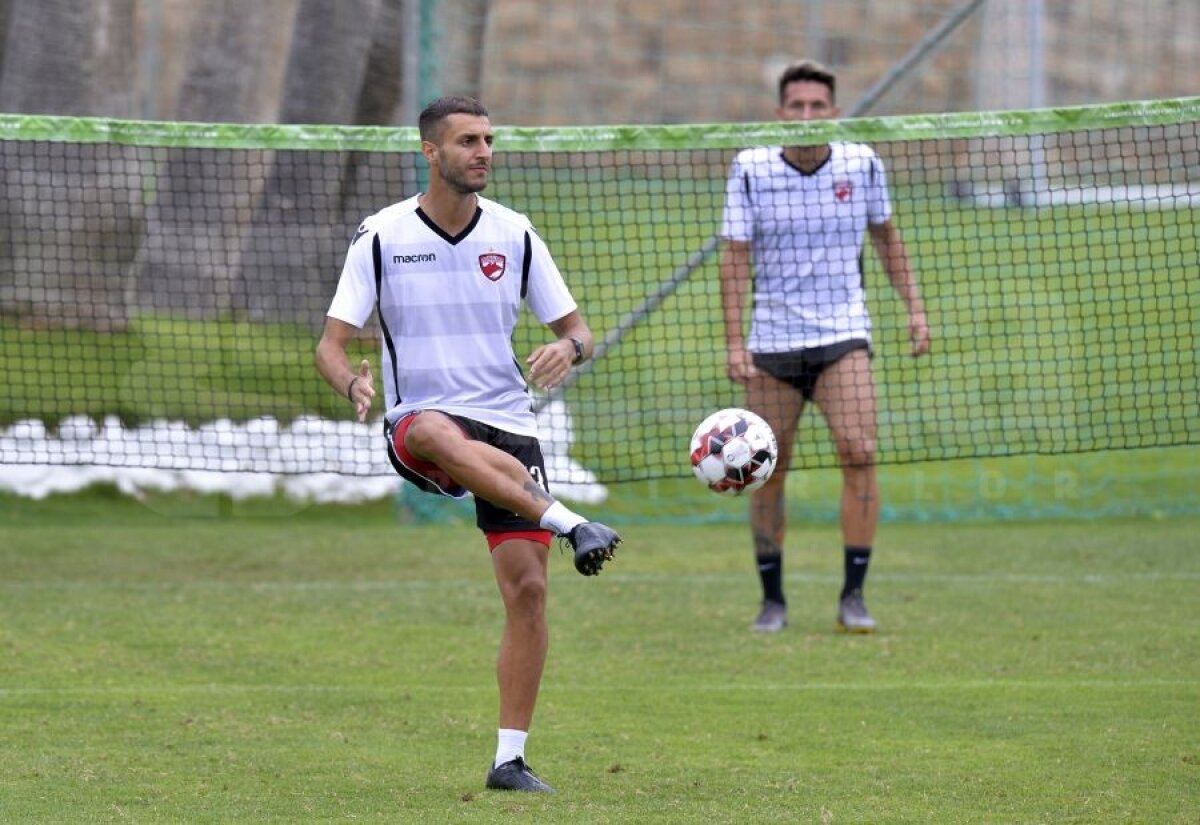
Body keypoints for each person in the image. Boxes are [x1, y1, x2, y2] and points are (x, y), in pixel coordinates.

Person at [315, 95, 621, 794]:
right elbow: (330, 346)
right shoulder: (383, 235)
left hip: (507, 423)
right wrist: (352, 384)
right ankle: (569, 519)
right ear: (431, 151)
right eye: (467, 141)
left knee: (530, 590)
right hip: (419, 420)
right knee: (429, 429)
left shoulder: (514, 234)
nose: (483, 151)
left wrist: (567, 349)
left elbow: (579, 330)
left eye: (488, 140)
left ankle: (509, 759)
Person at [718, 60, 930, 634]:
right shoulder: (751, 169)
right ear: (780, 112)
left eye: (818, 107)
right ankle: (773, 601)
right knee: (766, 469)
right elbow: (734, 256)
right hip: (772, 344)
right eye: (797, 106)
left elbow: (886, 236)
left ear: (834, 112)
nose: (807, 116)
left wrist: (914, 308)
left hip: (843, 335)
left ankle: (853, 596)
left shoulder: (862, 164)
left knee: (860, 451)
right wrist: (735, 342)